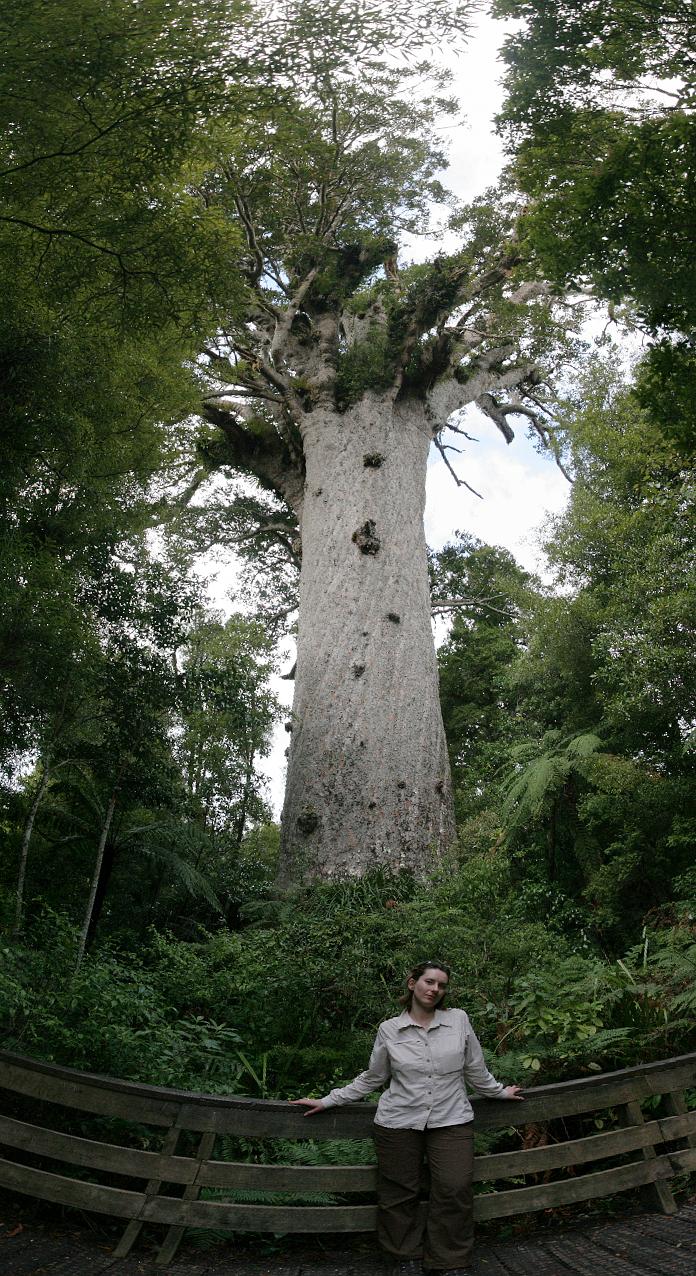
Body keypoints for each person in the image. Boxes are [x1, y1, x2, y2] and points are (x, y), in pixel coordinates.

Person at [291, 960, 523, 1275]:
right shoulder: (389, 1029)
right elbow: (373, 1077)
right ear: (412, 983)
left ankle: (450, 1260)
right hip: (398, 1121)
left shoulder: (458, 1020)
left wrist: (499, 1093)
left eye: (441, 985)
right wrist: (328, 1100)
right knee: (398, 1192)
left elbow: (475, 1069)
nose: (435, 989)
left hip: (451, 1118)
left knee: (454, 1187)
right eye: (429, 982)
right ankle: (404, 1258)